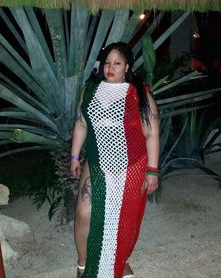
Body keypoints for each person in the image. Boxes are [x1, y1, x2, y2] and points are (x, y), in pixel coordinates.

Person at [71, 42, 160, 278]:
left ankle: (119, 262)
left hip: (131, 166)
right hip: (98, 163)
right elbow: (81, 124)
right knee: (83, 213)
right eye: (107, 62)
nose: (110, 67)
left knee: (121, 219)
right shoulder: (90, 90)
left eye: (117, 63)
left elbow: (151, 133)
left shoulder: (140, 93)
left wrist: (152, 170)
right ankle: (82, 264)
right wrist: (74, 156)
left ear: (127, 67)